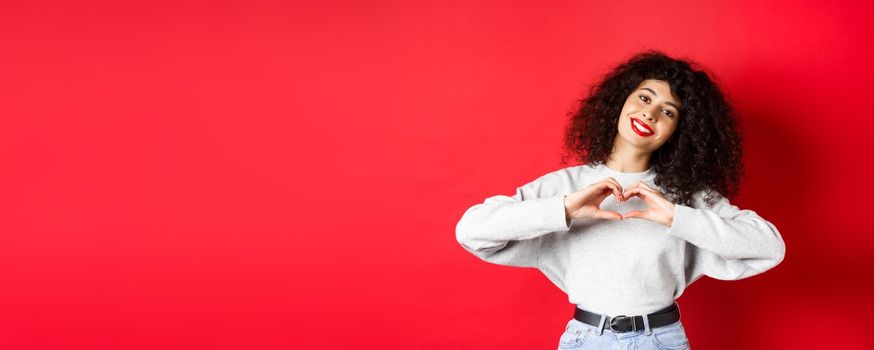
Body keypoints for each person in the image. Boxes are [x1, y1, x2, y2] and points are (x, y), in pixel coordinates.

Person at [454, 50, 786, 350]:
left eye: (667, 111)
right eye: (644, 98)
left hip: (661, 340)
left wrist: (676, 217)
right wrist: (565, 209)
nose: (650, 114)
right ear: (620, 101)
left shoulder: (686, 195)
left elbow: (770, 247)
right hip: (585, 340)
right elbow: (471, 230)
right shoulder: (566, 186)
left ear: (679, 132)